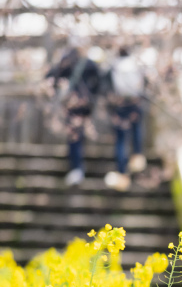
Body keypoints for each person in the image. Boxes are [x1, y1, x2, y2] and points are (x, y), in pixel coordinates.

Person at [45, 46, 104, 186]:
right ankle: (77, 168)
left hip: (71, 107)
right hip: (82, 106)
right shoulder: (89, 64)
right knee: (77, 135)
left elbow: (50, 78)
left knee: (74, 136)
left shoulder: (65, 63)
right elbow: (98, 83)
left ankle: (76, 168)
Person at [103, 47, 148, 191]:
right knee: (136, 130)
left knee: (121, 138)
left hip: (120, 104)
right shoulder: (136, 65)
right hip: (135, 103)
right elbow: (144, 83)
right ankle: (137, 157)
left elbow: (106, 86)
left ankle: (122, 172)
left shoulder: (114, 66)